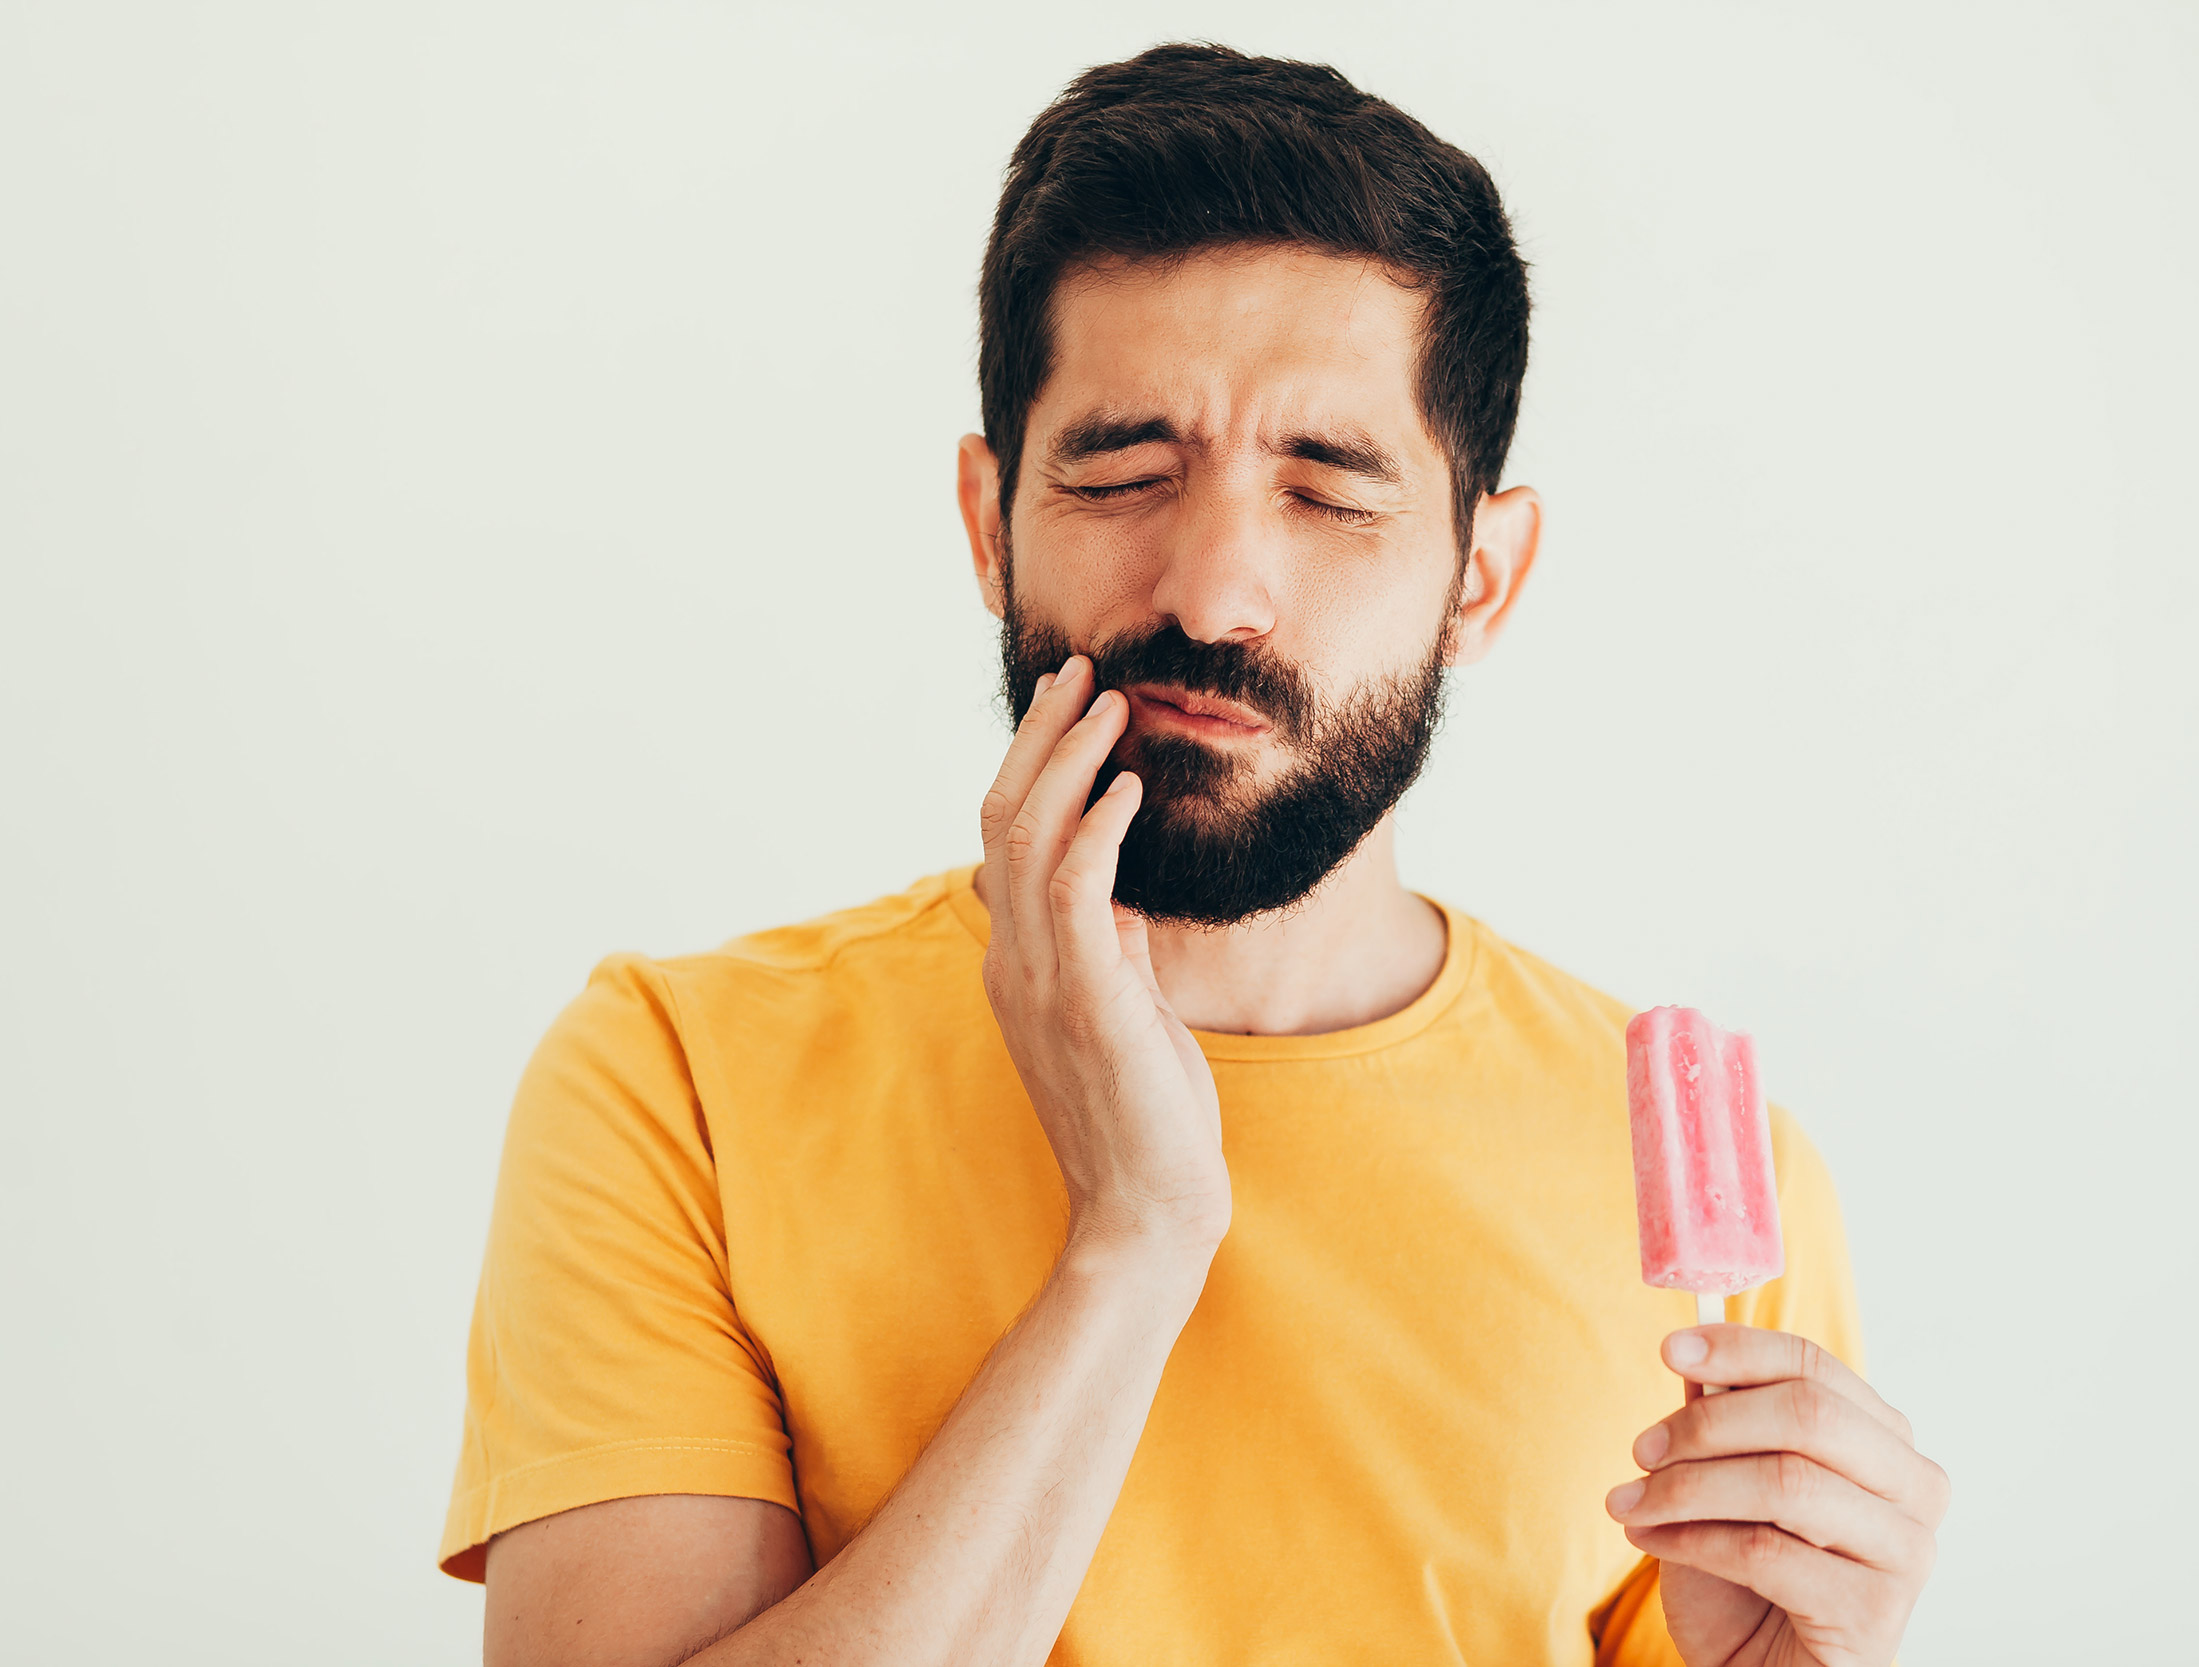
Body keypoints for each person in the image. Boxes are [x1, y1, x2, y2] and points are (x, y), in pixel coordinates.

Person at [441, 42, 1948, 1667]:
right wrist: (1136, 1232)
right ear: (987, 521)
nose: (1215, 590)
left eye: (1329, 490)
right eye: (1124, 471)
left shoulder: (1729, 1208)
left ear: (1481, 583)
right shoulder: (678, 1083)